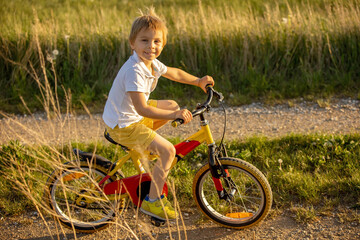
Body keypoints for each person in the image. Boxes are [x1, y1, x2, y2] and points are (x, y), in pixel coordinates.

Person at [102, 8, 214, 221]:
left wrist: (198, 81)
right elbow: (142, 109)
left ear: (162, 45)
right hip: (123, 125)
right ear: (132, 43)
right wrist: (174, 116)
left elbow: (174, 72)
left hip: (130, 115)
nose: (151, 47)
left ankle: (148, 145)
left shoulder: (150, 62)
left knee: (171, 104)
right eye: (144, 41)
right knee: (169, 151)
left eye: (156, 42)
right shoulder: (134, 71)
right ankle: (152, 202)